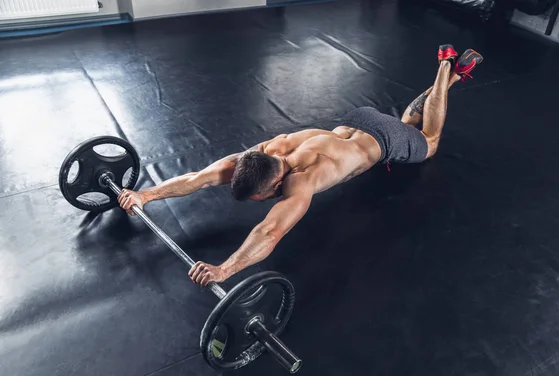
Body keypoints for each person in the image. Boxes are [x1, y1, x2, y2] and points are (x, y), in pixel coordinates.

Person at [118, 45, 483, 286]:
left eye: (261, 199)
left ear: (274, 188)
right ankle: (450, 75)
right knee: (406, 121)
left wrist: (224, 269)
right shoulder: (264, 153)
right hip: (363, 120)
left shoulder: (302, 182)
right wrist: (145, 195)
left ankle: (444, 69)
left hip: (381, 141)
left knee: (430, 141)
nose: (261, 204)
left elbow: (270, 233)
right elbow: (201, 178)